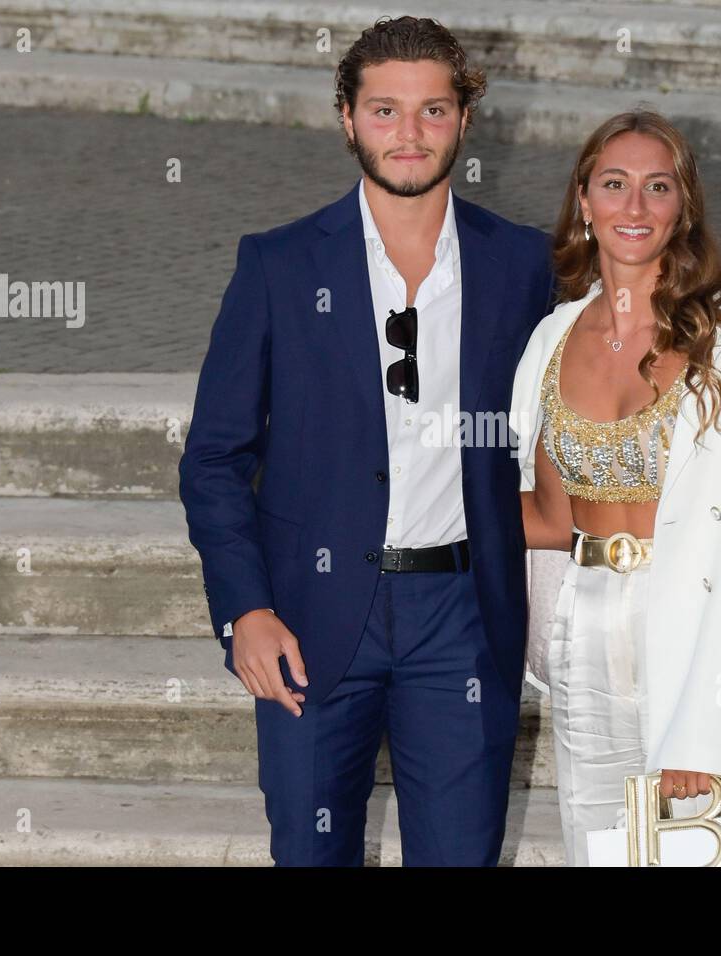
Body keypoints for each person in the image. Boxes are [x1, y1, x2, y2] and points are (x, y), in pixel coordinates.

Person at [179, 16, 554, 866]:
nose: (409, 134)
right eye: (384, 111)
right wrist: (246, 610)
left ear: (465, 118)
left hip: (462, 616)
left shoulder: (524, 266)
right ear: (346, 117)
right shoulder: (277, 266)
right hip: (308, 618)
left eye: (432, 110)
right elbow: (212, 459)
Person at [510, 109, 721, 866]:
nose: (634, 208)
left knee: (701, 855)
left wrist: (707, 725)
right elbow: (548, 515)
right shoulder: (550, 339)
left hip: (704, 644)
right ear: (583, 199)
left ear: (683, 206)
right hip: (584, 627)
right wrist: (408, 503)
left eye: (656, 187)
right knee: (599, 848)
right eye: (615, 184)